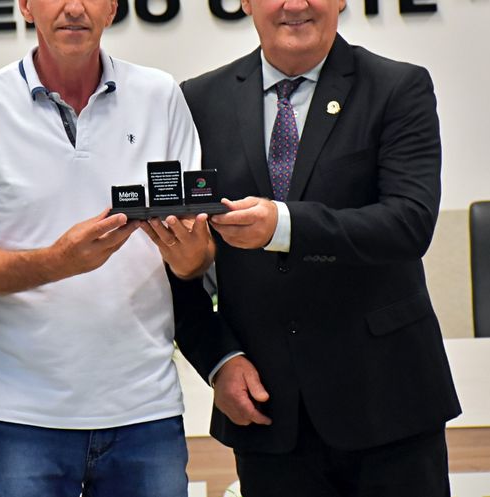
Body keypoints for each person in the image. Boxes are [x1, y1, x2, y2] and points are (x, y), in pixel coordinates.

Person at [162, 0, 463, 495]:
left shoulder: (397, 87)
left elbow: (409, 223)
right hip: (269, 412)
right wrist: (218, 361)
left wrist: (284, 226)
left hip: (388, 404)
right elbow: (174, 252)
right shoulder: (197, 101)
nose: (295, 4)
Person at [0, 0, 203, 496]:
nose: (74, 7)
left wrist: (192, 254)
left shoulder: (160, 95)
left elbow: (194, 258)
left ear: (113, 8)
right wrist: (59, 262)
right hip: (20, 416)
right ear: (25, 6)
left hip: (144, 412)